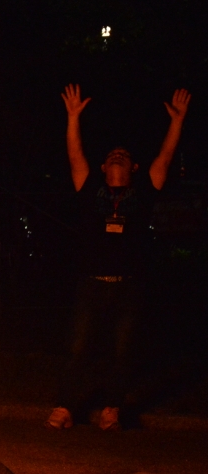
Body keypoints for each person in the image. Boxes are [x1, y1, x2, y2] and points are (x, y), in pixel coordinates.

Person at [46, 85, 190, 431]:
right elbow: (74, 155)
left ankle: (111, 409)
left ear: (134, 167)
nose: (117, 156)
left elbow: (166, 158)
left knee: (122, 352)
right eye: (112, 154)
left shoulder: (143, 192)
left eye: (123, 155)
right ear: (102, 166)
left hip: (128, 286)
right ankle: (65, 407)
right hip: (91, 283)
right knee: (77, 348)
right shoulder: (89, 188)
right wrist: (72, 118)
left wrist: (178, 122)